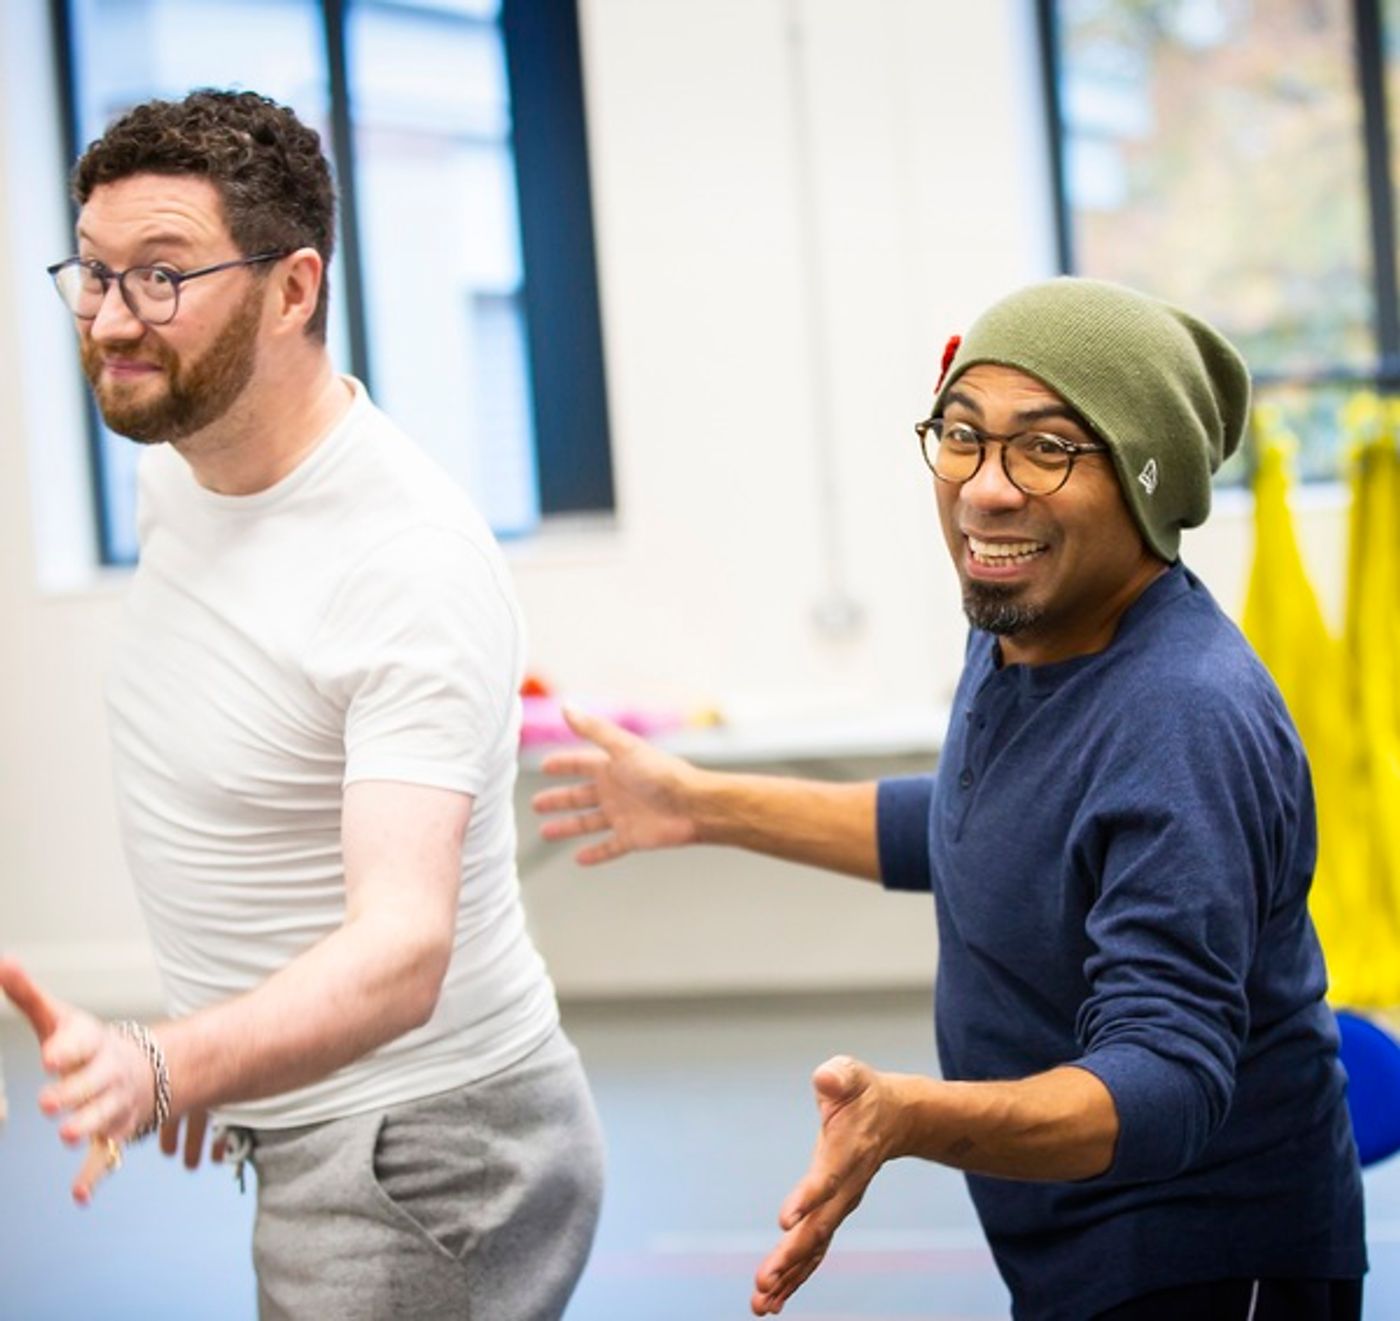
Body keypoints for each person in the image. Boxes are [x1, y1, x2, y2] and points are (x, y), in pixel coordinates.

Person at [533, 278, 1367, 1320]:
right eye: (962, 434)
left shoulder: (1179, 718)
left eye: (1046, 448)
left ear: (1146, 482)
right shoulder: (1022, 622)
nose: (985, 489)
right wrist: (697, 804)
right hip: (1074, 1244)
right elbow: (982, 826)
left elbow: (1164, 1082)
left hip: (1202, 1262)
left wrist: (909, 1116)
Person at [0, 88, 602, 1320]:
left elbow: (402, 950)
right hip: (317, 1119)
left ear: (292, 290)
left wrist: (170, 1060)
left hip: (423, 1158)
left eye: (161, 275)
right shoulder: (186, 469)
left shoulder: (404, 560)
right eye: (95, 272)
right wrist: (221, 1053)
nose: (109, 318)